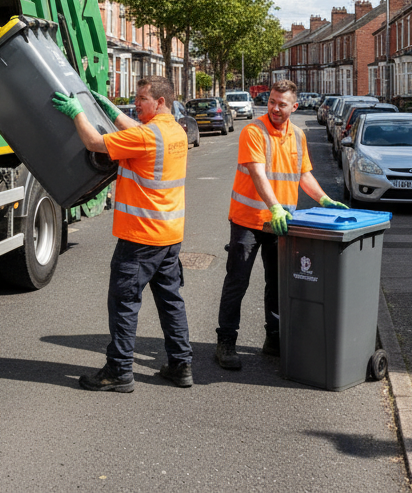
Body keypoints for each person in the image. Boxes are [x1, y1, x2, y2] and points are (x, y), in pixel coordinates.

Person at [52, 75, 192, 392]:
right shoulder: (175, 132)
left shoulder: (147, 136)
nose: (136, 102)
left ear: (160, 102)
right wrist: (112, 112)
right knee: (171, 302)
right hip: (169, 236)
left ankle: (118, 371)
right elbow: (137, 132)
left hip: (140, 238)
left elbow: (94, 143)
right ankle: (181, 366)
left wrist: (77, 113)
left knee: (125, 303)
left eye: (142, 98)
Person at [214, 78, 347, 371]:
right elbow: (257, 173)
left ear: (294, 106)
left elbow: (304, 175)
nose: (275, 107)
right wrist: (274, 206)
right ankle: (226, 342)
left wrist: (324, 200)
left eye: (281, 104)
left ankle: (273, 338)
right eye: (272, 101)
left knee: (278, 283)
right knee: (237, 281)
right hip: (249, 221)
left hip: (282, 224)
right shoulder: (253, 131)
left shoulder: (298, 136)